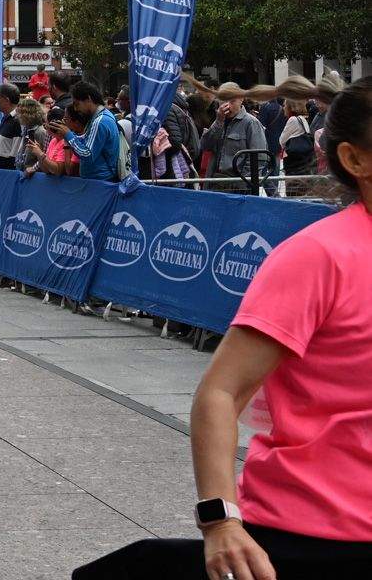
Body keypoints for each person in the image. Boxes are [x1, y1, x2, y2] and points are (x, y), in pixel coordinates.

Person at [74, 75, 372, 580]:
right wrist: (220, 521)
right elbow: (220, 392)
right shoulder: (318, 257)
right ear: (356, 160)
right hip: (311, 537)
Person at [197, 83, 271, 191]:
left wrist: (244, 183)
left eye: (232, 101)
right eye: (223, 101)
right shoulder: (219, 120)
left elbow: (259, 158)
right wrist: (218, 122)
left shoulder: (251, 123)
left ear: (241, 99)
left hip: (238, 185)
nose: (227, 105)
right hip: (215, 183)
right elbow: (205, 145)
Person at [64, 82, 124, 182]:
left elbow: (87, 154)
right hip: (100, 180)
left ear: (88, 99)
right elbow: (86, 142)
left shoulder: (100, 121)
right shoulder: (101, 116)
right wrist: (68, 135)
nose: (75, 109)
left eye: (77, 104)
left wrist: (68, 135)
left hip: (101, 182)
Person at [278, 95, 316, 179]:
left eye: (284, 105)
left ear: (290, 107)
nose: (283, 108)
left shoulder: (292, 120)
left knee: (293, 186)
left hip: (294, 161)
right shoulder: (302, 119)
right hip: (304, 160)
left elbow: (281, 140)